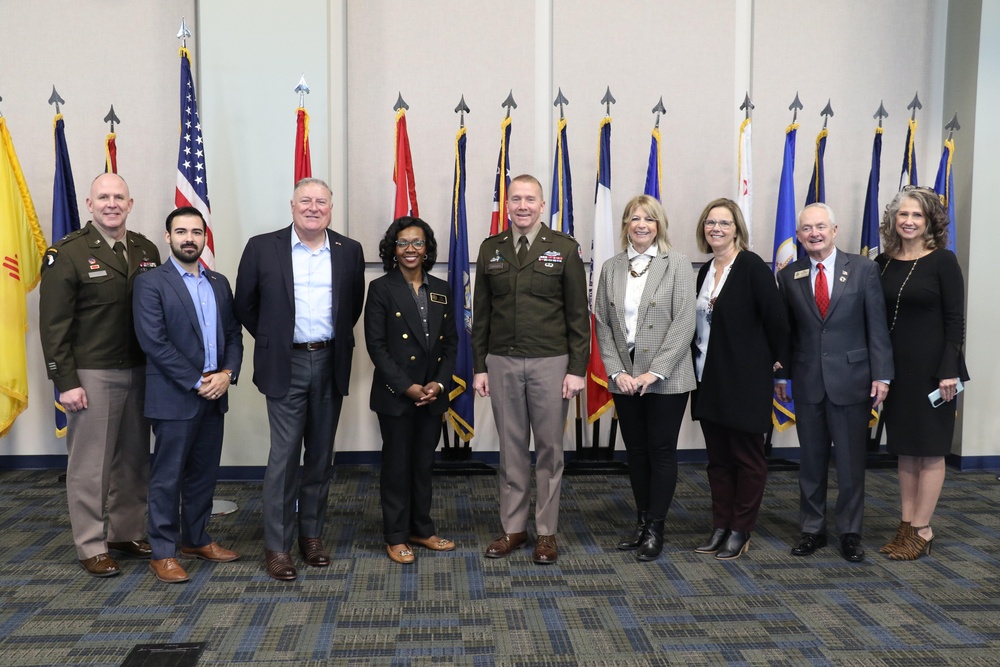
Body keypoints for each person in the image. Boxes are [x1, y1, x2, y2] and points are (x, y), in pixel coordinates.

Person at [234, 177, 365, 581]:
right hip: (285, 365)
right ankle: (278, 546)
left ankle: (312, 536)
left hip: (329, 360)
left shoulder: (349, 251)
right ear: (291, 206)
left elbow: (352, 306)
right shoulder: (262, 247)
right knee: (284, 458)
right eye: (305, 201)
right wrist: (275, 340)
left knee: (321, 459)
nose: (313, 207)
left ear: (330, 208)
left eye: (320, 202)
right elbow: (245, 305)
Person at [39, 173, 161, 577]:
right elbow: (53, 326)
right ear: (90, 205)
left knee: (134, 461)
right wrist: (65, 381)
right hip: (91, 374)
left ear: (130, 203)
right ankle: (90, 544)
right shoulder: (67, 254)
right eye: (103, 197)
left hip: (140, 370)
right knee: (90, 465)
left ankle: (126, 532)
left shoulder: (145, 249)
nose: (112, 203)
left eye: (119, 197)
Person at [472, 174, 589, 565]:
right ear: (507, 205)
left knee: (551, 451)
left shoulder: (563, 248)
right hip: (502, 361)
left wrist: (577, 368)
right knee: (511, 450)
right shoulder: (491, 249)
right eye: (516, 199)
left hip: (551, 362)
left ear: (542, 205)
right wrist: (479, 367)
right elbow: (482, 316)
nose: (523, 206)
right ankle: (513, 529)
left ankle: (546, 532)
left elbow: (577, 316)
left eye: (530, 199)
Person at [776, 203, 893, 563]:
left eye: (820, 227)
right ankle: (812, 529)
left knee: (849, 462)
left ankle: (850, 532)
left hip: (853, 380)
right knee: (810, 463)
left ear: (835, 229)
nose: (814, 233)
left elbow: (877, 326)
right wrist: (781, 374)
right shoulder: (789, 275)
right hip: (808, 381)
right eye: (807, 229)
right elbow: (787, 332)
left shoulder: (863, 269)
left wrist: (882, 374)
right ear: (798, 236)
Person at [133, 207, 244, 583]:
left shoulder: (218, 282)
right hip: (175, 395)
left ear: (204, 237)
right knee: (167, 477)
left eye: (196, 232)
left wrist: (227, 374)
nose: (189, 238)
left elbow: (233, 335)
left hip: (216, 393)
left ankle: (195, 538)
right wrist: (199, 380)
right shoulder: (151, 283)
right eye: (181, 231)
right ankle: (162, 551)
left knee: (203, 474)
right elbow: (155, 342)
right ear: (168, 237)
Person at [593, 194, 696, 562]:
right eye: (634, 218)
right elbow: (603, 324)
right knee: (635, 452)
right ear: (625, 224)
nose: (641, 225)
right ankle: (640, 521)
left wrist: (655, 371)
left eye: (649, 220)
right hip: (625, 377)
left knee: (661, 450)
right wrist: (618, 371)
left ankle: (656, 526)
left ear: (659, 226)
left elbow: (685, 322)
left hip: (667, 376)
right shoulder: (611, 267)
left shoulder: (678, 263)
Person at [689, 198, 788, 560]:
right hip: (707, 378)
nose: (716, 228)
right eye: (710, 222)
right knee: (718, 459)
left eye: (724, 223)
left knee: (747, 459)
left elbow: (777, 320)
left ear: (737, 229)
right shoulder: (704, 271)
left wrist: (780, 366)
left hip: (744, 380)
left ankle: (740, 529)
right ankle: (721, 524)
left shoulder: (751, 267)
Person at [874, 187, 969, 560]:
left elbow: (954, 321)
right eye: (903, 215)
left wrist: (949, 370)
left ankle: (923, 528)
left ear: (929, 221)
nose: (909, 222)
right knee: (905, 451)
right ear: (893, 221)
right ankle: (906, 523)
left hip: (935, 373)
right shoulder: (882, 262)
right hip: (897, 371)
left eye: (916, 216)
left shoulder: (943, 261)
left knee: (929, 451)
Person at [364, 217, 458, 564]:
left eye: (417, 243)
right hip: (396, 395)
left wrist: (439, 383)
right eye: (403, 243)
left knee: (422, 465)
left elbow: (451, 343)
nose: (410, 250)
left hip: (432, 395)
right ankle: (395, 535)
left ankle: (422, 528)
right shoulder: (380, 288)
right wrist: (407, 387)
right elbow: (376, 345)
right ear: (393, 248)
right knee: (397, 465)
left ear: (427, 249)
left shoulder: (441, 288)